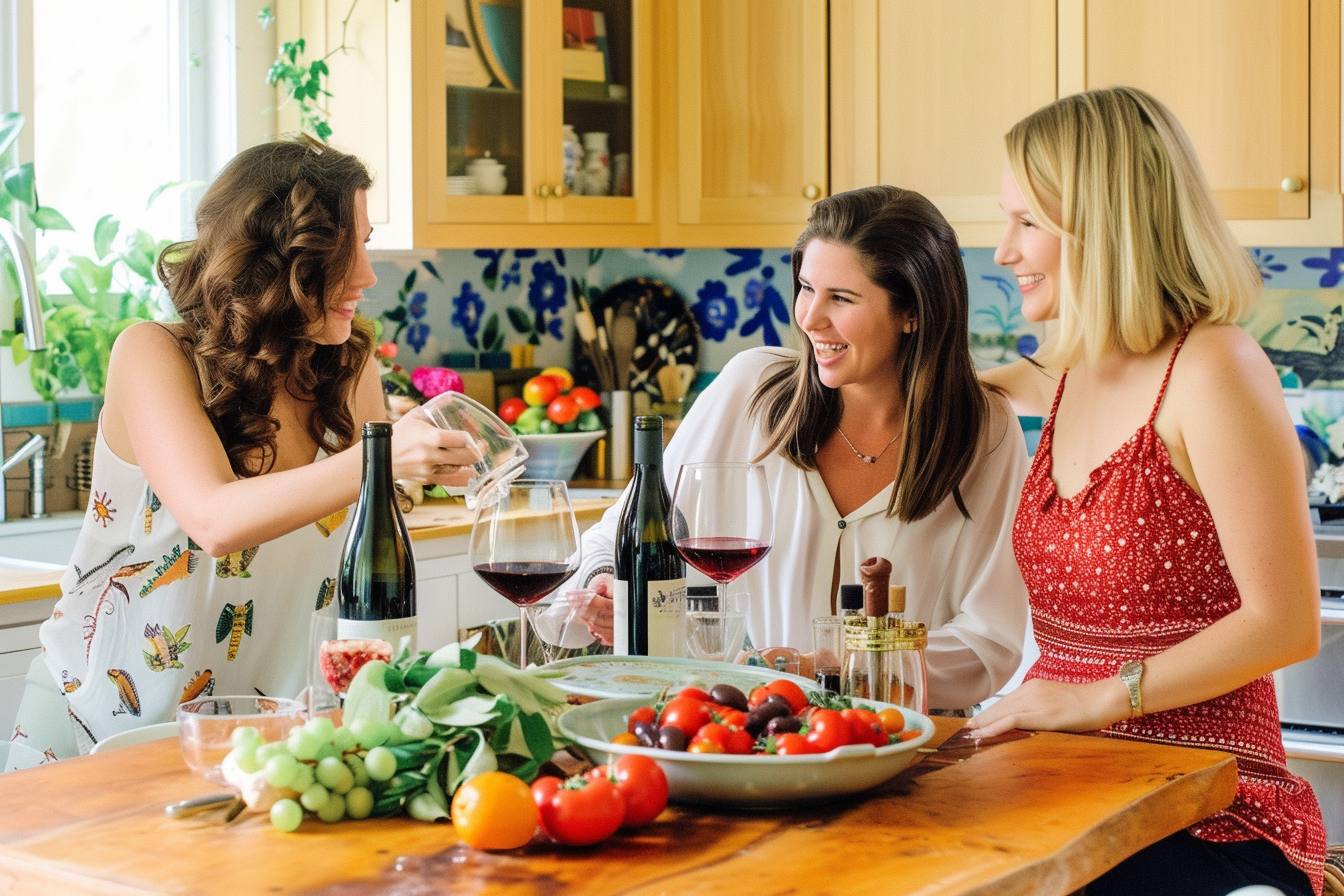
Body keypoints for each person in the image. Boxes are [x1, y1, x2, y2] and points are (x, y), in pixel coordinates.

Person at [14, 136, 480, 761]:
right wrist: (385, 457)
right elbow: (215, 518)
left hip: (269, 737)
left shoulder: (348, 366)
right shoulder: (152, 354)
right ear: (276, 262)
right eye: (346, 251)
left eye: (365, 244)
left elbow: (367, 524)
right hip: (96, 722)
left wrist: (428, 470)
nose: (368, 276)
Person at [967, 87, 1326, 896]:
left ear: (1103, 222)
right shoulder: (1061, 375)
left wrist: (1095, 701)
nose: (1002, 251)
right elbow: (898, 405)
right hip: (1063, 782)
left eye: (1027, 222)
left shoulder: (1214, 368)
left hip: (1208, 804)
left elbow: (1285, 621)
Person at [568, 185, 1030, 713]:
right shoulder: (752, 390)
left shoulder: (984, 432)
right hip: (742, 735)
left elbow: (989, 644)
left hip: (907, 746)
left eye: (842, 298)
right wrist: (605, 581)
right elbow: (613, 535)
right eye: (806, 288)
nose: (809, 318)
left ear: (913, 313)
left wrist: (830, 667)